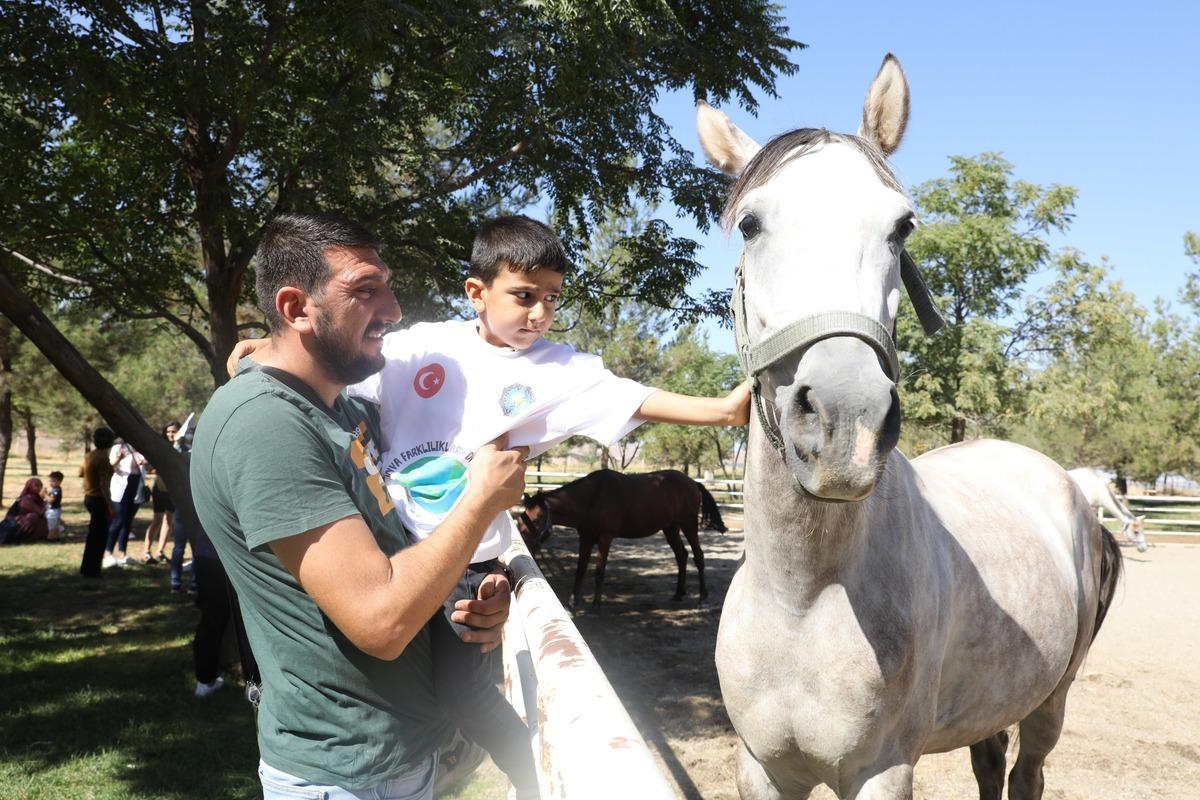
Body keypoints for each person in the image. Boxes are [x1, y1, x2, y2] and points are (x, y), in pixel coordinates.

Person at [230, 214, 752, 799]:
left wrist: (724, 410)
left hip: (465, 560)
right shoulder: (421, 346)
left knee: (464, 693)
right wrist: (268, 348)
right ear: (476, 292)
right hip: (393, 550)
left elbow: (639, 398)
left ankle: (532, 779)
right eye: (524, 295)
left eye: (552, 298)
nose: (540, 313)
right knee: (395, 674)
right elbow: (338, 362)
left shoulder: (559, 370)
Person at [192, 212, 525, 800]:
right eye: (365, 291)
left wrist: (470, 592)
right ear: (295, 308)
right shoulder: (266, 424)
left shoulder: (339, 409)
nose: (393, 310)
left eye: (387, 287)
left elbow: (395, 551)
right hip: (345, 775)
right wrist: (479, 502)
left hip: (397, 759)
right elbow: (381, 620)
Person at [140, 421, 180, 564]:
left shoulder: (181, 448)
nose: (171, 434)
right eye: (168, 431)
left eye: (174, 431)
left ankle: (160, 552)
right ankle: (146, 552)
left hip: (173, 490)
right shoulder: (161, 446)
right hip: (159, 488)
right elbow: (151, 467)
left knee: (169, 520)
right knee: (157, 520)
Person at [79, 427, 116, 578]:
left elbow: (80, 473)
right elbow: (104, 484)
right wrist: (111, 506)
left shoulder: (90, 455)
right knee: (100, 536)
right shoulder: (103, 458)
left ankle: (87, 568)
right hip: (99, 499)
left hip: (89, 497)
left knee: (93, 535)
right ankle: (93, 570)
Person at [105, 438, 147, 567]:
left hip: (137, 484)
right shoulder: (118, 447)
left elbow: (149, 466)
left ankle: (122, 553)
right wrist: (119, 458)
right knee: (119, 519)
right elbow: (109, 466)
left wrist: (145, 462)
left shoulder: (142, 446)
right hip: (121, 485)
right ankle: (108, 552)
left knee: (128, 521)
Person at [1, 478, 50, 543]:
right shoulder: (26, 499)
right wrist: (46, 498)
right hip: (16, 525)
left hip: (22, 522)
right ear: (30, 487)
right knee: (33, 517)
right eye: (36, 486)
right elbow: (41, 512)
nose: (39, 488)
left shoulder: (36, 498)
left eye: (41, 485)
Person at [44, 471, 65, 541]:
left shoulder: (56, 490)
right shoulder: (54, 489)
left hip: (53, 511)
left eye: (53, 481)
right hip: (53, 510)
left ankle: (50, 538)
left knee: (52, 525)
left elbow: (51, 500)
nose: (51, 483)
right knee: (55, 525)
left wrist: (45, 494)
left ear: (60, 481)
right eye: (50, 481)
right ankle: (56, 537)